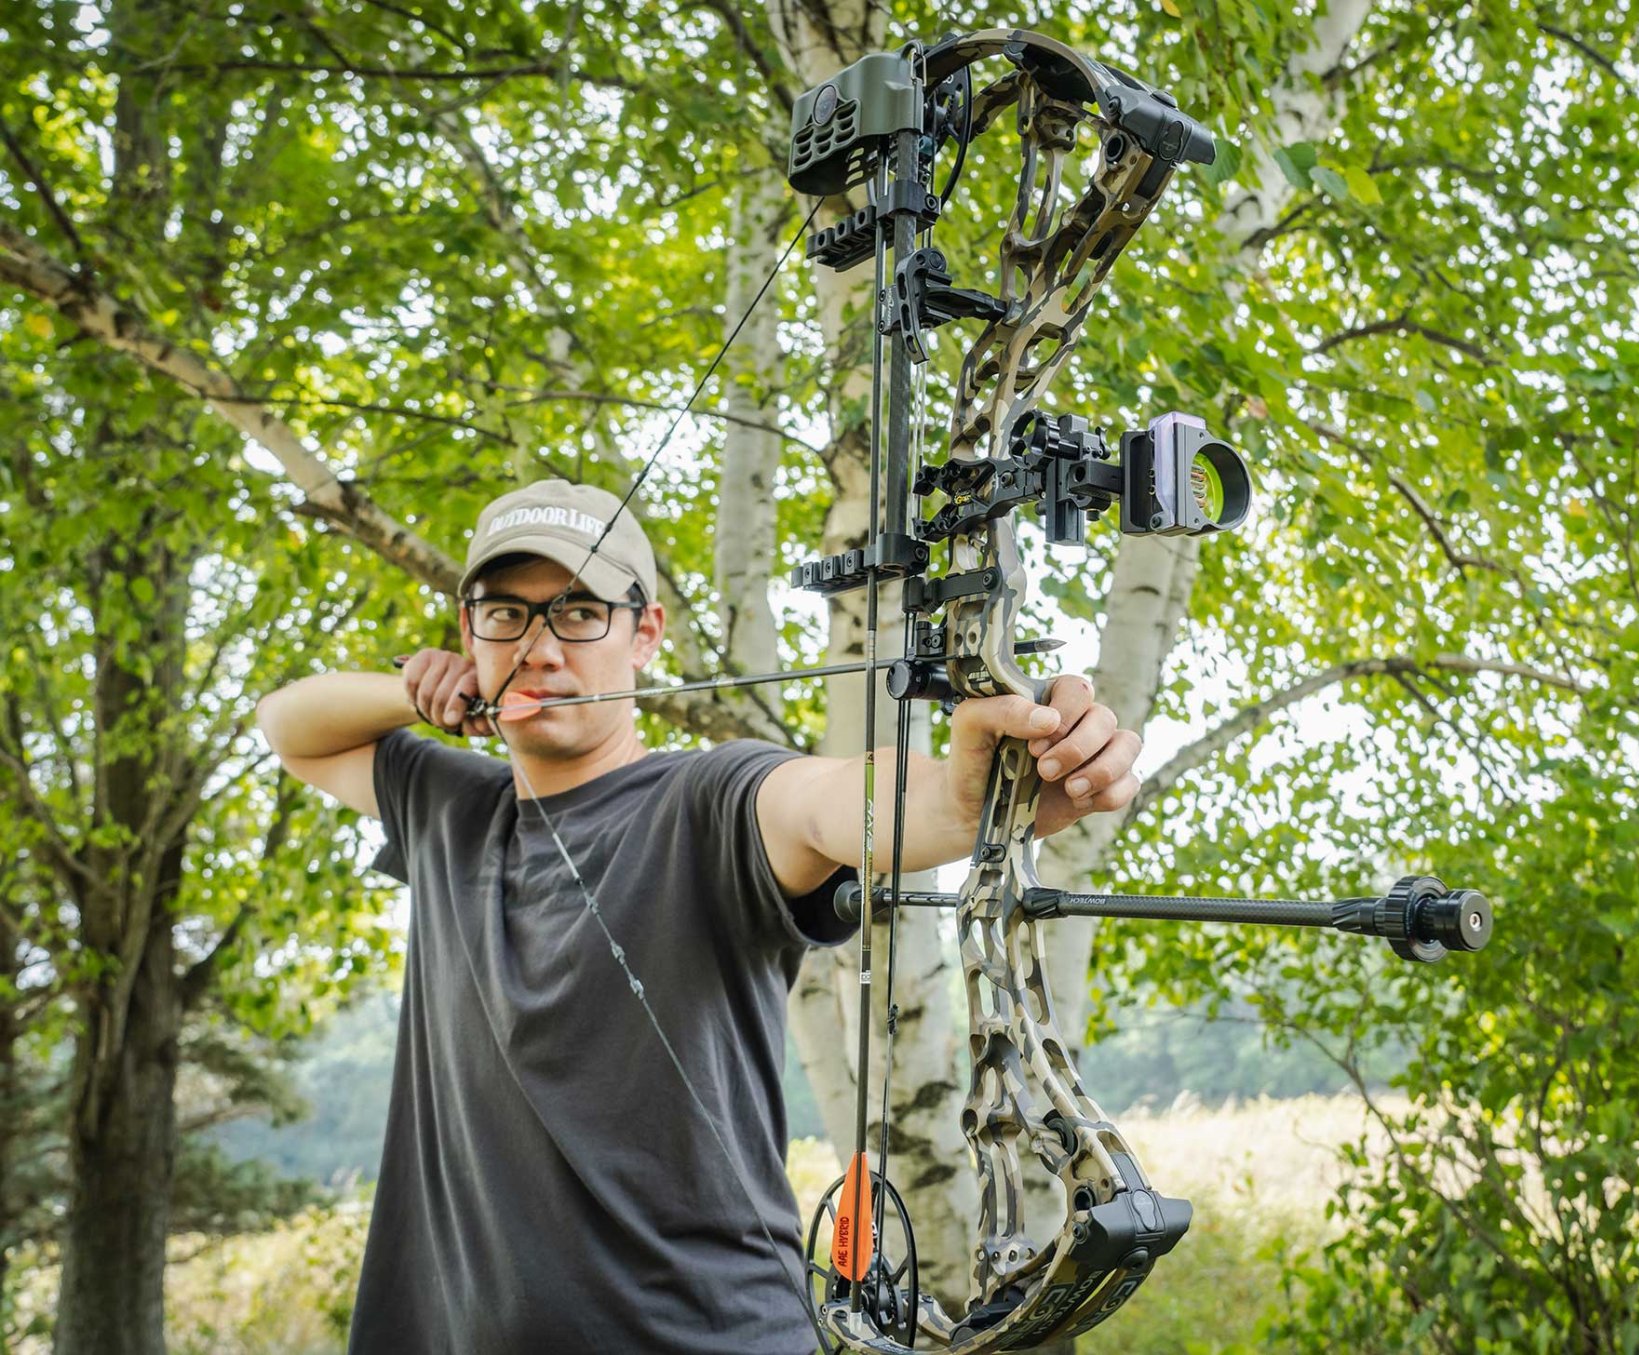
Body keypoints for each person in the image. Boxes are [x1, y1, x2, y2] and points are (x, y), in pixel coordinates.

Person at [254, 479, 1143, 1354]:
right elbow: (288, 725)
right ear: (467, 631)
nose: (538, 649)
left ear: (644, 633)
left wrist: (966, 799)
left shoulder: (706, 798)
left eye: (577, 613)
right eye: (506, 615)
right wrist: (417, 692)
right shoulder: (448, 806)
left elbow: (832, 800)